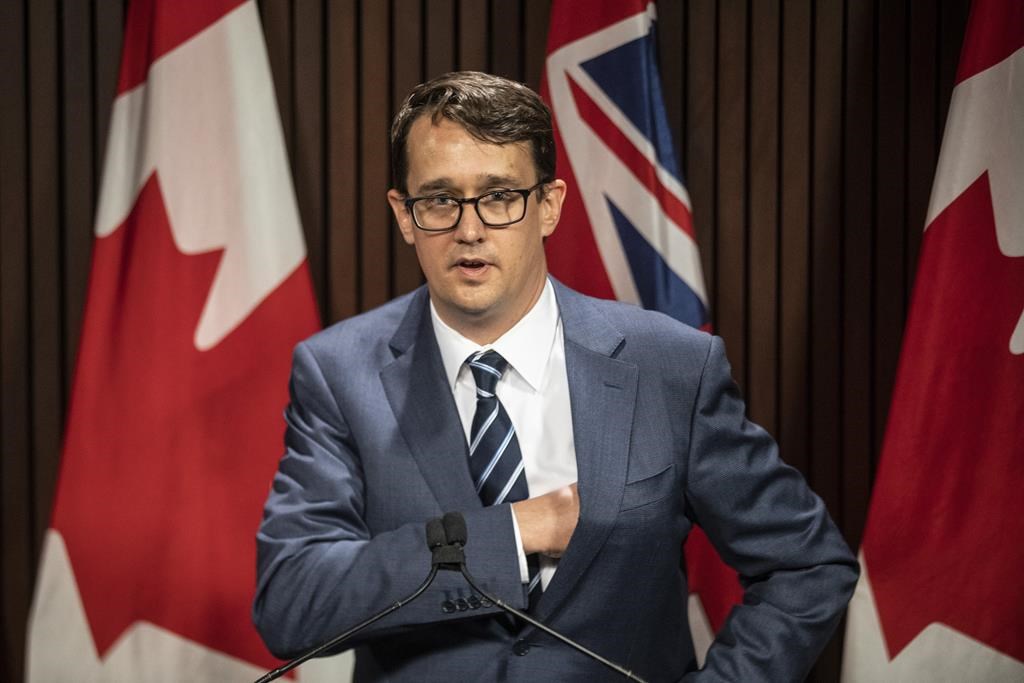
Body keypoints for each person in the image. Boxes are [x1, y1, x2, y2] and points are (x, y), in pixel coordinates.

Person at [253, 71, 858, 682]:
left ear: (548, 205)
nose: (469, 230)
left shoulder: (670, 365)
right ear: (404, 215)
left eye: (499, 196)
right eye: (439, 200)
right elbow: (292, 604)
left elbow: (806, 565)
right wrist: (512, 533)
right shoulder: (338, 373)